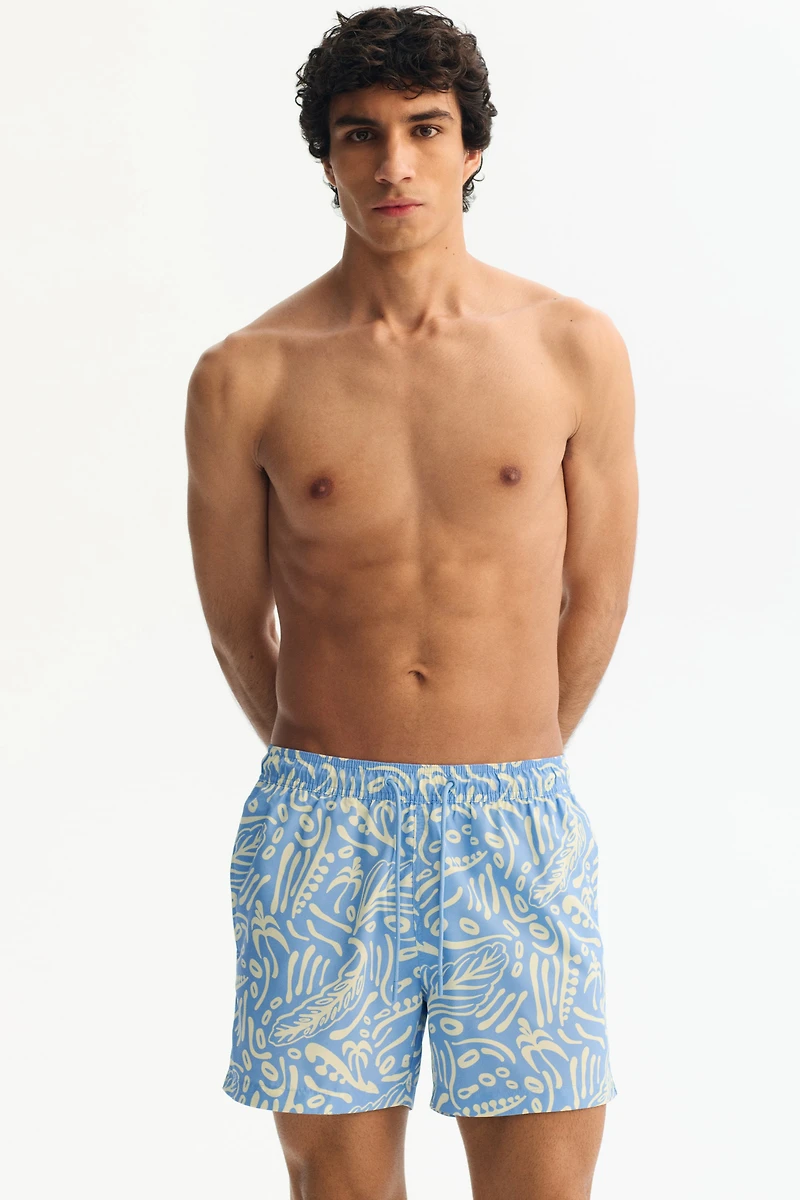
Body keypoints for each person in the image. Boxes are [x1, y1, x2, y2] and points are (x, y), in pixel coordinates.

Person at [184, 6, 637, 1199]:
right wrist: (333, 762)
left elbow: (597, 592)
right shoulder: (245, 375)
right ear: (325, 156)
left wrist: (510, 749)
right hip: (320, 830)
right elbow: (234, 622)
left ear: (470, 146)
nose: (393, 164)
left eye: (424, 129)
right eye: (360, 134)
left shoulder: (571, 348)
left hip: (516, 823)